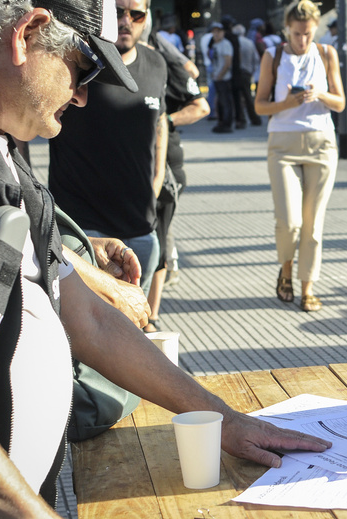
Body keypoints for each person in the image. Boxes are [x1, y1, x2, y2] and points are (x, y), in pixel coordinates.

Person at [0, 0, 330, 519]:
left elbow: (90, 318)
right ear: (28, 33)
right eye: (85, 68)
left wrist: (223, 419)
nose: (82, 95)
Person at [49, 0, 168, 296]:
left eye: (136, 14)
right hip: (83, 224)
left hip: (140, 224)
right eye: (117, 12)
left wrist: (156, 181)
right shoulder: (80, 59)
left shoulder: (157, 64)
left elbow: (160, 123)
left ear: (146, 17)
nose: (126, 21)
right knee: (91, 328)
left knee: (134, 318)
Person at [254, 0, 344, 312]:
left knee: (313, 224)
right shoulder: (273, 55)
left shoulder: (327, 53)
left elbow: (341, 103)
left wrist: (320, 94)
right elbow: (259, 105)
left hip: (321, 143)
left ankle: (308, 287)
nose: (302, 40)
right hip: (282, 143)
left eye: (307, 34)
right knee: (289, 221)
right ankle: (286, 269)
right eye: (296, 34)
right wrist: (288, 103)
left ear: (315, 29)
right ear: (286, 30)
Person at [145, 27, 211, 332]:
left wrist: (164, 122)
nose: (126, 22)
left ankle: (151, 316)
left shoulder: (163, 60)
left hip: (167, 165)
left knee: (158, 236)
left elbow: (201, 106)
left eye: (135, 15)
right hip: (126, 164)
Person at [233, 23, 262, 127]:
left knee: (238, 97)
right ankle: (254, 118)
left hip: (237, 72)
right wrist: (252, 70)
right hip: (247, 72)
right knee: (248, 96)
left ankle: (241, 119)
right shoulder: (249, 43)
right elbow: (256, 59)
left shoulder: (234, 43)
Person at [209, 21, 235, 133]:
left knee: (225, 101)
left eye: (218, 31)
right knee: (219, 101)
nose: (216, 34)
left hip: (224, 78)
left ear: (223, 32)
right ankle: (221, 122)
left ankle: (227, 123)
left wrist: (220, 75)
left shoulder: (226, 44)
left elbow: (228, 62)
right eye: (214, 31)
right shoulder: (215, 45)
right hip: (217, 77)